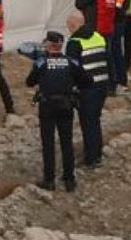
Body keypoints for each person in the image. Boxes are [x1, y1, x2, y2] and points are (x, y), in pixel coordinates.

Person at [26, 31, 91, 192]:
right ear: (61, 44)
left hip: (47, 106)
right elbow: (88, 81)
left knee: (48, 143)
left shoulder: (41, 62)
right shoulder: (71, 62)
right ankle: (69, 179)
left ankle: (49, 180)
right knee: (66, 142)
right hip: (66, 105)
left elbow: (29, 82)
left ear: (48, 44)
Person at [66, 10, 111, 168]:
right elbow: (108, 60)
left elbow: (72, 70)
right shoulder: (98, 36)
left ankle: (91, 158)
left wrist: (70, 89)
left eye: (69, 27)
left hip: (87, 89)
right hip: (102, 85)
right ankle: (96, 152)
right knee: (95, 119)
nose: (69, 30)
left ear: (73, 25)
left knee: (88, 122)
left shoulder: (74, 42)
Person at [75, 0, 118, 94]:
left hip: (95, 27)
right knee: (107, 56)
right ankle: (111, 85)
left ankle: (92, 83)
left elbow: (79, 2)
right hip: (107, 27)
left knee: (90, 56)